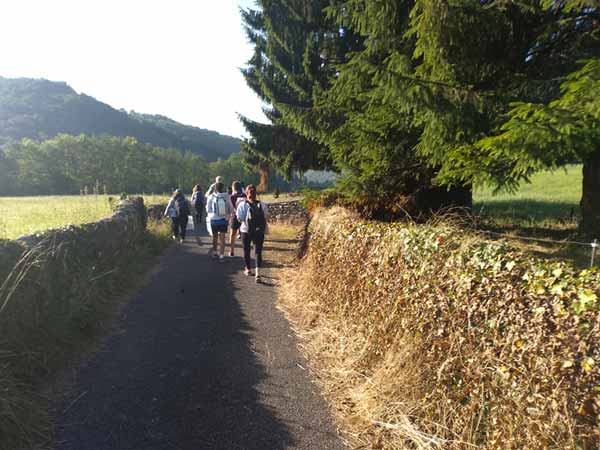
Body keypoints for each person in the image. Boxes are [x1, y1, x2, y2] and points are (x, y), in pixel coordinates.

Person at [236, 184, 268, 283]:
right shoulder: (262, 205)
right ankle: (258, 273)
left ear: (246, 193)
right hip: (259, 231)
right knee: (258, 251)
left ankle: (248, 269)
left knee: (246, 250)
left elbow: (239, 218)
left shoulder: (242, 204)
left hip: (246, 230)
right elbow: (265, 216)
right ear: (256, 194)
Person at [206, 181, 234, 260]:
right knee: (222, 238)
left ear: (215, 188)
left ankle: (215, 252)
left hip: (214, 220)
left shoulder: (211, 197)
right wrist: (229, 214)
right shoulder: (227, 196)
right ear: (223, 188)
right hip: (223, 220)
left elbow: (208, 209)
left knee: (215, 237)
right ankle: (221, 255)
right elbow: (231, 208)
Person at [228, 181, 246, 257]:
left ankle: (231, 251)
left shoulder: (232, 197)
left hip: (235, 216)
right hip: (244, 216)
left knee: (232, 234)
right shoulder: (245, 195)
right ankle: (246, 251)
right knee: (245, 234)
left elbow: (231, 208)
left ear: (233, 188)